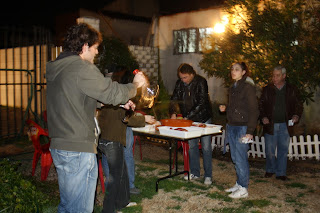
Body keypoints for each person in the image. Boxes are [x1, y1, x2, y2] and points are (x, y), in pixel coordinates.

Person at [46, 23, 145, 213]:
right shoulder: (81, 67)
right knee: (80, 208)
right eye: (95, 48)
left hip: (61, 145)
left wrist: (118, 104)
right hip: (78, 147)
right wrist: (134, 86)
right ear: (85, 47)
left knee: (68, 205)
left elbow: (77, 96)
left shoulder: (60, 68)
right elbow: (110, 91)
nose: (97, 53)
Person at [219, 62, 259, 199]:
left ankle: (244, 188)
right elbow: (236, 107)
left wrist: (250, 131)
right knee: (235, 157)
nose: (233, 71)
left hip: (242, 127)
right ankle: (239, 183)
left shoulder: (248, 88)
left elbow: (254, 110)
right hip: (232, 126)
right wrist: (226, 109)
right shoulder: (233, 87)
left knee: (241, 158)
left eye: (237, 69)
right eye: (232, 69)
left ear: (243, 72)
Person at [169, 63, 213, 185]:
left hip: (203, 118)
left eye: (185, 77)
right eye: (181, 77)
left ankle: (208, 175)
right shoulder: (179, 83)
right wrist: (173, 112)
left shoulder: (201, 82)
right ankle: (195, 172)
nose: (183, 80)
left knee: (206, 147)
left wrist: (187, 117)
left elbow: (202, 102)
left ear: (192, 74)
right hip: (189, 119)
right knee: (192, 146)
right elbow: (174, 99)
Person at [259, 66, 303, 181]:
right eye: (273, 75)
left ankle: (281, 173)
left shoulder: (291, 89)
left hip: (285, 124)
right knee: (269, 150)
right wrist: (263, 117)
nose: (274, 78)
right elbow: (261, 105)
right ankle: (270, 169)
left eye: (277, 75)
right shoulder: (267, 89)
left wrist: (296, 115)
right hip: (271, 124)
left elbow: (299, 104)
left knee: (283, 150)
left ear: (284, 76)